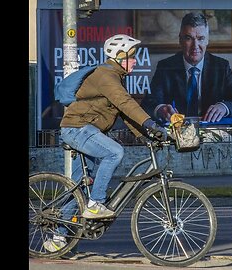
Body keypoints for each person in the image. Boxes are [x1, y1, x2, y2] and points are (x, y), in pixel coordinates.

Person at [43, 34, 167, 252]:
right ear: (119, 57)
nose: (136, 61)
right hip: (76, 128)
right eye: (132, 57)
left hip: (87, 130)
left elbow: (125, 114)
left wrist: (148, 135)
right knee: (114, 153)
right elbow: (125, 103)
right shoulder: (105, 75)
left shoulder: (115, 77)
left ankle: (58, 238)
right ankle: (95, 204)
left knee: (80, 186)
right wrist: (150, 123)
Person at [141, 12, 232, 123]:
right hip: (177, 133)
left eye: (200, 38)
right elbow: (148, 103)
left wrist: (224, 107)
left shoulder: (221, 66)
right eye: (189, 38)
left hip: (212, 133)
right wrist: (160, 109)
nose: (195, 46)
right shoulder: (166, 66)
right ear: (180, 40)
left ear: (207, 40)